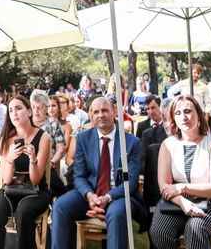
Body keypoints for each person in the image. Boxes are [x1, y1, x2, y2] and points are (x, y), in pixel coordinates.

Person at [51, 96, 145, 249]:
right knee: (60, 206)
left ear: (114, 111)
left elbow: (132, 183)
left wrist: (107, 198)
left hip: (119, 194)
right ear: (91, 115)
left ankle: (105, 209)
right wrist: (90, 196)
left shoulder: (131, 142)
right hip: (91, 193)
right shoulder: (83, 139)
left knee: (115, 213)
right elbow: (79, 176)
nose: (100, 115)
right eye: (96, 112)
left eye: (104, 110)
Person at [149, 95, 211, 249]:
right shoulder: (168, 145)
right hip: (175, 202)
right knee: (159, 232)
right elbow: (164, 185)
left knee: (196, 229)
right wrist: (184, 202)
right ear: (173, 119)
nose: (183, 117)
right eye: (178, 113)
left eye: (187, 111)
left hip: (210, 202)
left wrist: (182, 187)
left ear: (198, 114)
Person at [0, 95, 51, 249]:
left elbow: (36, 180)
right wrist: (9, 159)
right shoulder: (6, 139)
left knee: (23, 212)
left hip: (36, 190)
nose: (14, 113)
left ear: (29, 112)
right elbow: (6, 181)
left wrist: (32, 160)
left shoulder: (43, 137)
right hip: (11, 188)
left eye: (18, 108)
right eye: (10, 110)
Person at [30, 90, 66, 196]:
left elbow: (61, 150)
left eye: (40, 107)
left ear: (46, 107)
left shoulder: (53, 123)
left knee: (60, 191)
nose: (36, 111)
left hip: (48, 165)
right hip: (28, 165)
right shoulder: (26, 122)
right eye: (33, 107)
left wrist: (51, 163)